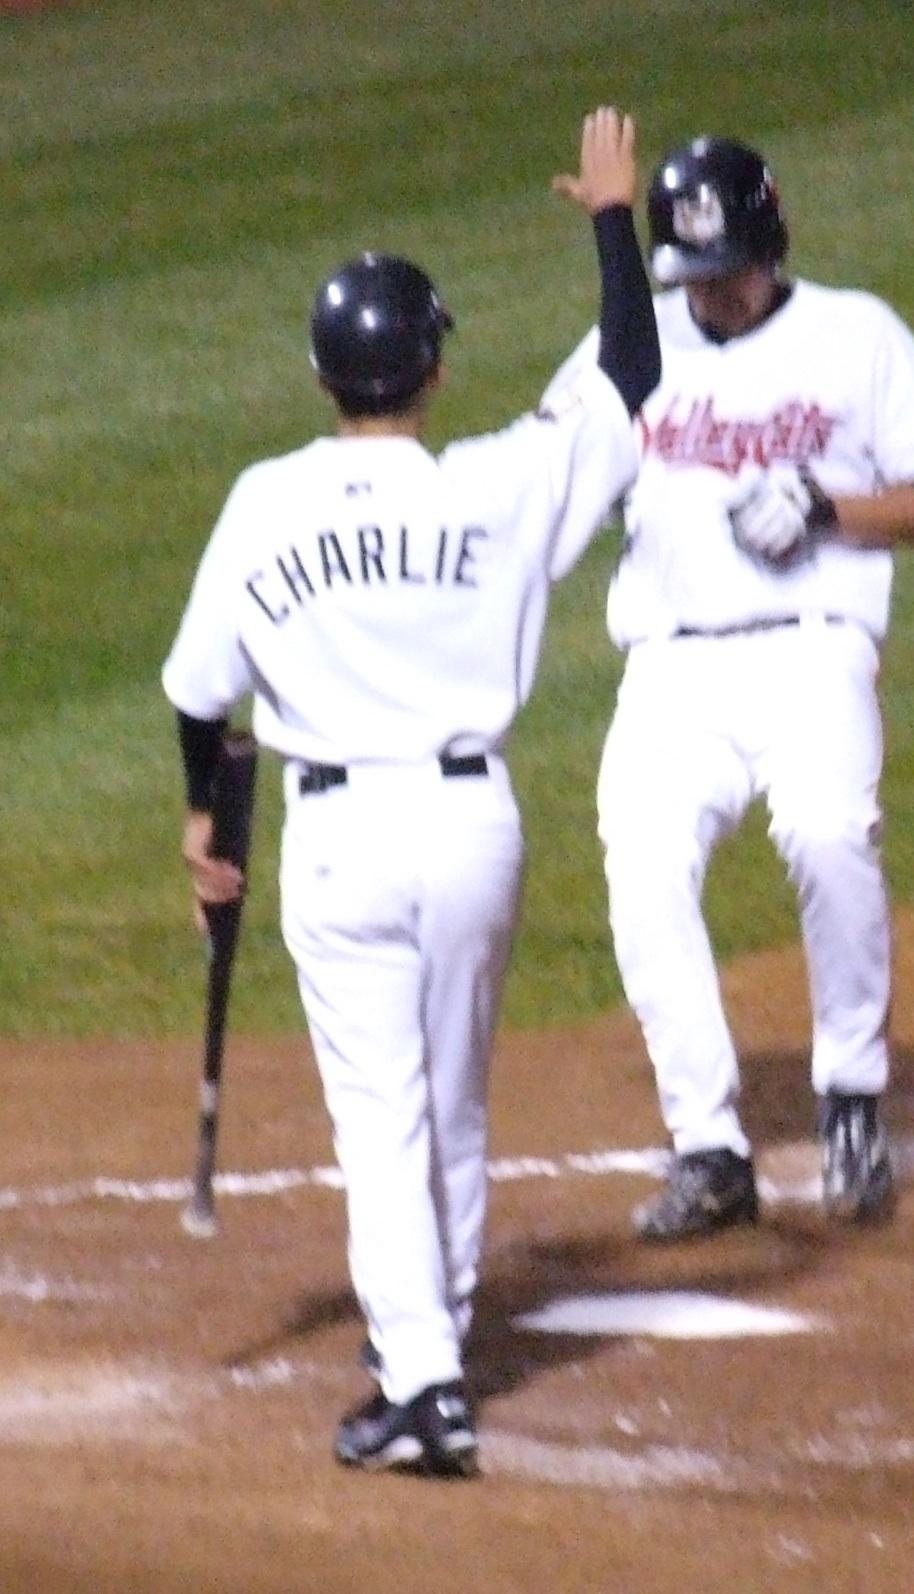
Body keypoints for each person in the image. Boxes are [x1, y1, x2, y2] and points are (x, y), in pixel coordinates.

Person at [161, 107, 660, 1477]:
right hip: (469, 827)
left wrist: (205, 819)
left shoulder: (264, 500)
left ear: (324, 375)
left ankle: (423, 1380)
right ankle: (426, 1348)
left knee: (380, 1116)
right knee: (454, 1103)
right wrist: (611, 219)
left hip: (339, 841)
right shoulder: (497, 486)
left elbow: (201, 693)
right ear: (432, 369)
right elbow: (630, 373)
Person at [545, 134, 914, 1242]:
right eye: (696, 275)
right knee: (642, 868)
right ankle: (707, 1148)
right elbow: (545, 480)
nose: (716, 292)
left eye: (731, 269)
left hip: (811, 650)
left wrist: (832, 510)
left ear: (772, 239)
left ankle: (851, 1098)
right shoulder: (628, 347)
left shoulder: (856, 334)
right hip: (671, 667)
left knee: (828, 836)